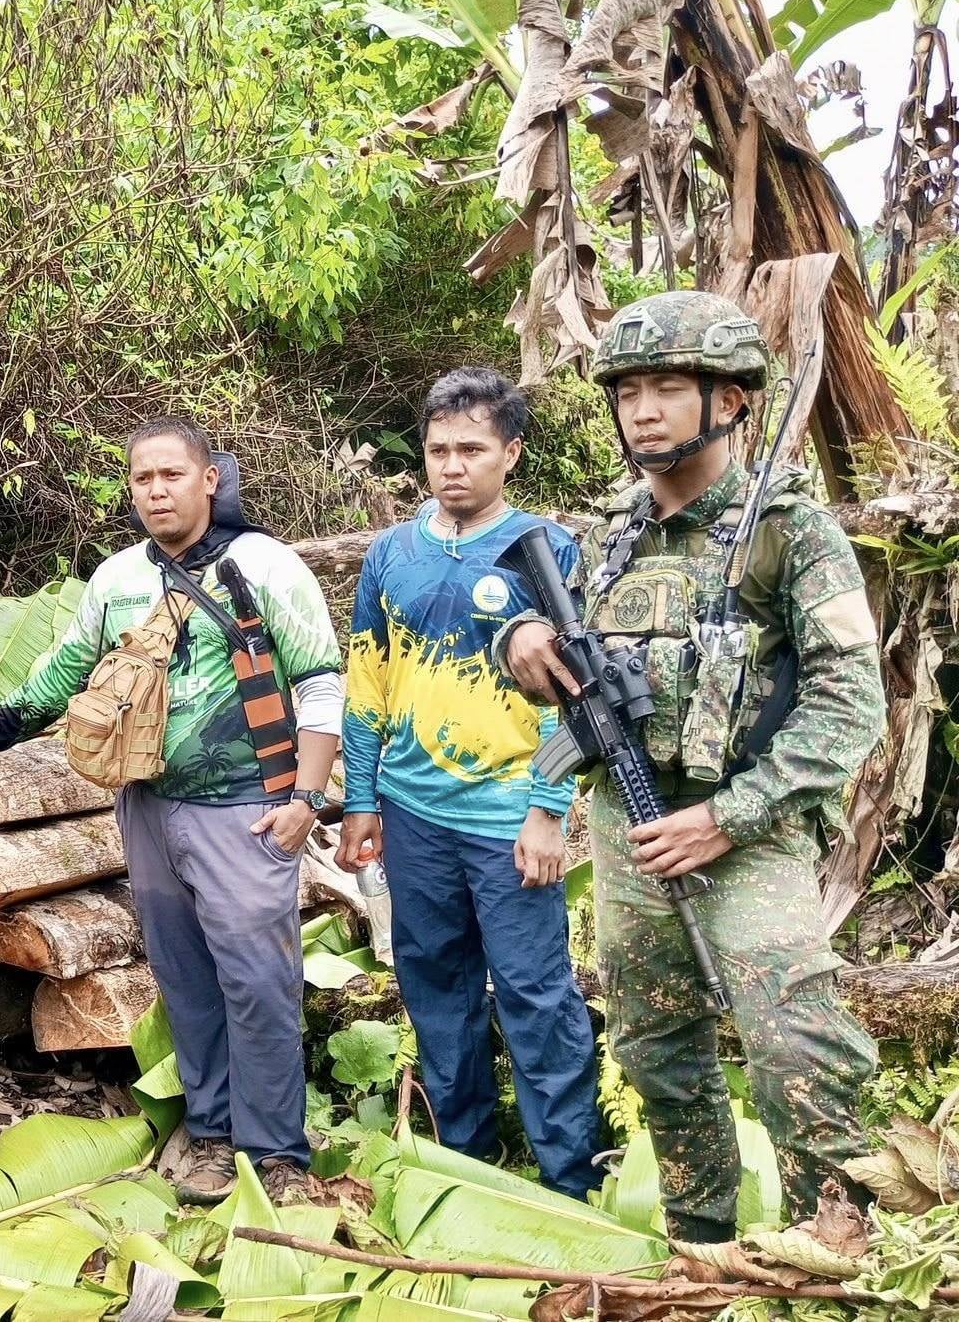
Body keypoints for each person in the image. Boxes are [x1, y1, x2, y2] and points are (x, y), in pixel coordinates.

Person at [497, 291, 883, 1242]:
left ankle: (834, 1244)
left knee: (800, 1043)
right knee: (657, 1050)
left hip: (743, 833)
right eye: (628, 391)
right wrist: (521, 639)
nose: (642, 410)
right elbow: (571, 661)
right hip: (631, 833)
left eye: (668, 387)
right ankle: (703, 1242)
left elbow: (850, 705)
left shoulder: (789, 531)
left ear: (734, 400)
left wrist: (731, 815)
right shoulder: (611, 536)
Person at [0, 418, 344, 1205]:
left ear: (210, 478)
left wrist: (306, 799)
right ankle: (212, 1136)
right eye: (143, 479)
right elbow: (60, 677)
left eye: (172, 476)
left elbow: (320, 678)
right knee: (185, 977)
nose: (157, 491)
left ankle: (278, 1153)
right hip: (148, 807)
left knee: (257, 980)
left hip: (246, 808)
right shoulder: (116, 580)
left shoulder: (265, 566)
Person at [341, 368, 604, 1198]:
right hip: (414, 813)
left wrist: (547, 812)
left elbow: (578, 695)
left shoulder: (549, 550)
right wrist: (359, 800)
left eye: (473, 449)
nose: (452, 465)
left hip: (506, 816)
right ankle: (468, 1163)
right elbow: (367, 682)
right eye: (438, 449)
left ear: (511, 453)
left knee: (535, 994)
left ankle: (571, 1179)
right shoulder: (391, 553)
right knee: (434, 985)